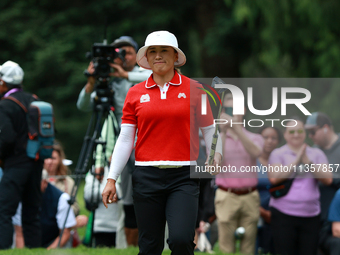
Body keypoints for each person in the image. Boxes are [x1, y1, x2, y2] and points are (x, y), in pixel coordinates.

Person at [101, 30, 222, 255]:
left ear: (175, 56)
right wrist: (111, 178)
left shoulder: (196, 89)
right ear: (146, 58)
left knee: (181, 240)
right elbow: (126, 138)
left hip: (184, 176)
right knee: (149, 246)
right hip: (146, 177)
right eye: (152, 52)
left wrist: (215, 155)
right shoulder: (134, 93)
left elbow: (210, 128)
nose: (158, 56)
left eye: (164, 51)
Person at [77, 36, 151, 246]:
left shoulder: (143, 75)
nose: (121, 57)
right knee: (129, 197)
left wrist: (125, 75)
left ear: (136, 56)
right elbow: (82, 105)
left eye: (126, 52)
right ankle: (131, 244)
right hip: (123, 142)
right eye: (117, 53)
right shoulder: (108, 82)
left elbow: (152, 78)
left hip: (143, 142)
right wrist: (92, 82)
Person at [268, 119, 332, 255]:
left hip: (311, 215)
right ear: (285, 135)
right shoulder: (278, 153)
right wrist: (297, 160)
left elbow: (327, 179)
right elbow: (274, 178)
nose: (296, 134)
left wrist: (308, 162)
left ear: (305, 133)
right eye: (291, 131)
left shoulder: (316, 154)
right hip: (283, 214)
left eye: (299, 131)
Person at [0, 61, 44, 249]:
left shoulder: (5, 105)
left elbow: (7, 138)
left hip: (16, 164)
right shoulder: (34, 99)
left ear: (3, 82)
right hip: (36, 162)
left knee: (4, 211)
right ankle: (35, 250)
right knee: (32, 212)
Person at [214, 92, 264, 255]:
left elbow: (256, 152)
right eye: (227, 108)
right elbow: (214, 166)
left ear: (242, 110)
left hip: (250, 196)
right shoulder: (216, 138)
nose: (230, 112)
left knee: (249, 247)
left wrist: (236, 128)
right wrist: (222, 132)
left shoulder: (254, 137)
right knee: (226, 247)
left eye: (233, 108)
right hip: (226, 196)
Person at [304, 112, 340, 254]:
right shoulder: (313, 151)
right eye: (308, 133)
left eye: (313, 132)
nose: (310, 137)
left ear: (325, 128)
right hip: (318, 215)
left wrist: (326, 176)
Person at [256, 126, 282, 255]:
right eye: (265, 137)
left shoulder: (284, 161)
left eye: (274, 138)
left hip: (280, 213)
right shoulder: (250, 161)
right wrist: (263, 213)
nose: (269, 141)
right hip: (255, 212)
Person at [84, 165, 123, 247]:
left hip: (121, 226)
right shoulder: (96, 169)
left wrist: (105, 190)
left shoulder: (124, 167)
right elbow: (89, 194)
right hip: (99, 227)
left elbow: (123, 193)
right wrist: (111, 192)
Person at [39, 169, 77, 249]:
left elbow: (65, 233)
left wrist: (47, 252)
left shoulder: (61, 198)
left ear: (45, 182)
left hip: (53, 242)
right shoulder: (22, 195)